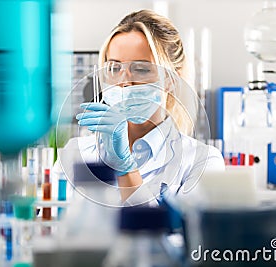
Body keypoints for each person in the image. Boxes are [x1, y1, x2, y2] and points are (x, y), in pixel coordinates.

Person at [55, 9, 225, 206]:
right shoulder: (76, 152)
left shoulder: (201, 161)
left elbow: (182, 235)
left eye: (142, 69)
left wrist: (126, 167)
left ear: (170, 80)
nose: (124, 82)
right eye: (114, 68)